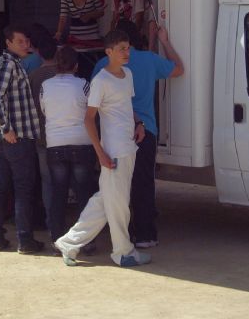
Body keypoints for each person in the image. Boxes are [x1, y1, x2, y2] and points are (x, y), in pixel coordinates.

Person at [54, 30, 149, 267]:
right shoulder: (100, 81)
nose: (126, 53)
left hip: (127, 146)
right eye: (121, 49)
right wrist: (101, 153)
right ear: (109, 52)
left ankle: (68, 243)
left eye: (127, 48)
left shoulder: (127, 74)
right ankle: (123, 252)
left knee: (106, 201)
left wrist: (139, 123)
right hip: (114, 150)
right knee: (117, 203)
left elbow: (127, 106)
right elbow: (89, 119)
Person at [92, 19, 184, 248]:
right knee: (143, 183)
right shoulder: (149, 59)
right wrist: (164, 41)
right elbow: (178, 69)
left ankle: (118, 235)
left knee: (118, 187)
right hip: (146, 129)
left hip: (115, 134)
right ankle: (144, 234)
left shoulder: (104, 64)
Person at [0, 24, 43, 254]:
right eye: (21, 41)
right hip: (17, 138)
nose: (26, 45)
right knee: (23, 188)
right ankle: (24, 240)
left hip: (7, 139)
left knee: (1, 188)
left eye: (27, 41)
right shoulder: (9, 65)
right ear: (9, 43)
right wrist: (4, 128)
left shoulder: (5, 65)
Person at [40, 46, 97, 246]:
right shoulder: (83, 85)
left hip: (55, 144)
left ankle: (57, 237)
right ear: (76, 65)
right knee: (84, 193)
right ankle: (86, 240)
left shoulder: (45, 86)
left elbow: (45, 110)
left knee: (58, 193)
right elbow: (93, 112)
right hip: (81, 143)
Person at [28, 34, 59, 231]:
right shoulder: (65, 75)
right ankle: (65, 222)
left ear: (38, 52)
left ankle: (51, 222)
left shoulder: (33, 77)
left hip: (41, 136)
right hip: (64, 135)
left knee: (47, 181)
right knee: (67, 181)